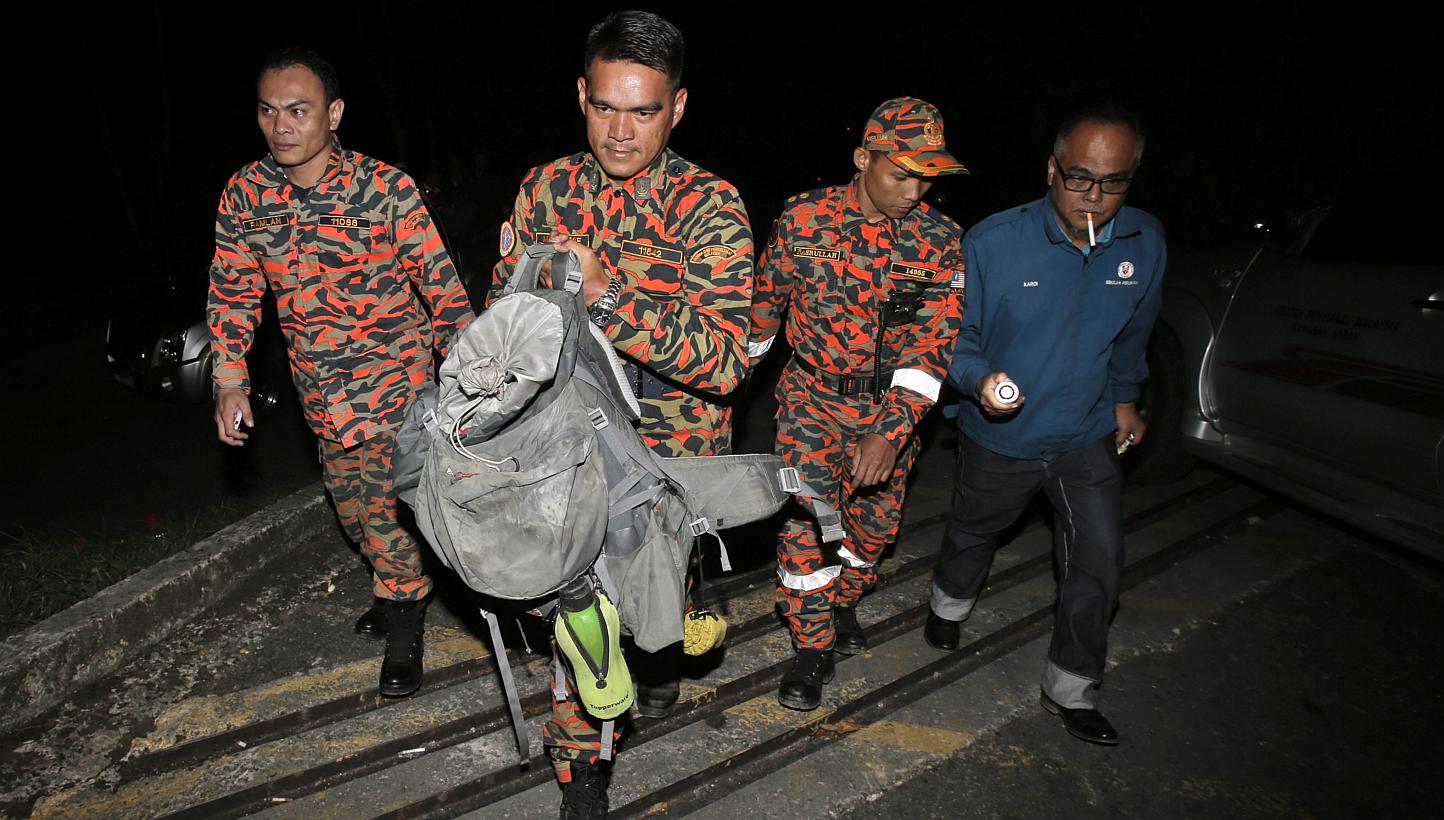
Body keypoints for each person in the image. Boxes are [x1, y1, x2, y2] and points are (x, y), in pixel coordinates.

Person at [488, 11, 752, 817]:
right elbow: (505, 317)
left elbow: (725, 361)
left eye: (644, 110)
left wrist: (607, 294)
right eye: (606, 106)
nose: (622, 130)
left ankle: (666, 644)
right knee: (582, 610)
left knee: (656, 602)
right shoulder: (545, 189)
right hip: (569, 439)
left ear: (677, 107)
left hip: (673, 444)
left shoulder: (710, 206)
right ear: (581, 95)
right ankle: (582, 770)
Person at [207, 48, 473, 700]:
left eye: (298, 110)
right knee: (352, 514)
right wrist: (230, 380)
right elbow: (234, 293)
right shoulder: (246, 196)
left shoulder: (384, 189)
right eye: (269, 111)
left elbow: (442, 289)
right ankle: (394, 579)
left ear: (334, 113)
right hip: (321, 398)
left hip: (396, 386)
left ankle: (404, 619)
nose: (282, 126)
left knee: (384, 512)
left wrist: (470, 373)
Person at [926, 106, 1165, 746]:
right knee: (978, 528)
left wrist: (1124, 399)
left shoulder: (1145, 242)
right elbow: (953, 338)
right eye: (1079, 178)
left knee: (1100, 559)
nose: (1094, 197)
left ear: (1132, 179)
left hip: (1085, 433)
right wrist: (978, 381)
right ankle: (949, 602)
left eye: (1113, 182)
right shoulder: (992, 242)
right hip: (1002, 433)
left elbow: (1133, 336)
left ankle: (1071, 688)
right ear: (1052, 168)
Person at [750, 98, 968, 711]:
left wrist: (890, 432)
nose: (913, 189)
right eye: (900, 172)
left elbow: (934, 345)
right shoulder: (805, 218)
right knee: (805, 530)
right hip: (811, 402)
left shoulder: (940, 240)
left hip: (887, 415)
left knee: (871, 536)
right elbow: (766, 309)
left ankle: (844, 601)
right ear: (862, 157)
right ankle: (811, 646)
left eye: (926, 176)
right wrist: (723, 383)